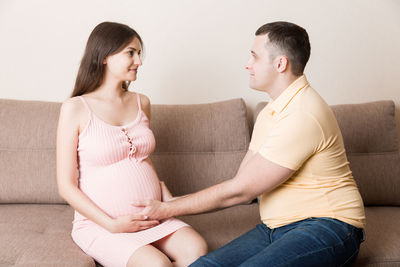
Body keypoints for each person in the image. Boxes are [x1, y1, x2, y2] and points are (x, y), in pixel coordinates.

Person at [133, 21, 366, 266]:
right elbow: (243, 180)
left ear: (280, 64)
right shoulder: (271, 112)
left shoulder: (302, 113)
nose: (247, 64)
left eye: (254, 56)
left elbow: (241, 190)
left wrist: (170, 208)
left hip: (329, 226)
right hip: (276, 228)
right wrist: (173, 204)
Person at [56, 21, 207, 267]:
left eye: (139, 53)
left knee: (197, 250)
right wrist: (112, 224)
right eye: (131, 52)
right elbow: (65, 185)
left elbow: (140, 156)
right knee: (157, 264)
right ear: (105, 56)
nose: (138, 61)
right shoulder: (75, 108)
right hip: (102, 224)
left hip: (152, 217)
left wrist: (161, 192)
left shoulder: (142, 102)